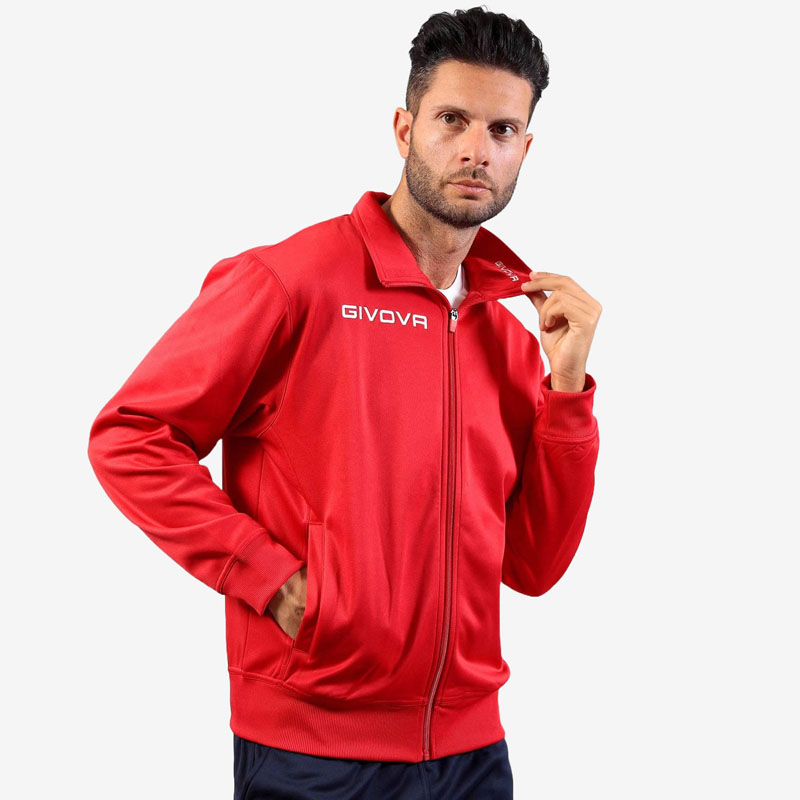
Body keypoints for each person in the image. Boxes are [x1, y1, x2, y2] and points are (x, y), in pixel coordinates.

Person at [87, 6, 601, 798]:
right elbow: (130, 436)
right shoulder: (291, 283)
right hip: (313, 748)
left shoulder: (506, 333)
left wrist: (567, 393)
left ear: (524, 150)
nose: (476, 150)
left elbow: (532, 566)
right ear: (404, 129)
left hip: (472, 750)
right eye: (452, 120)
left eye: (501, 130)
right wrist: (268, 577)